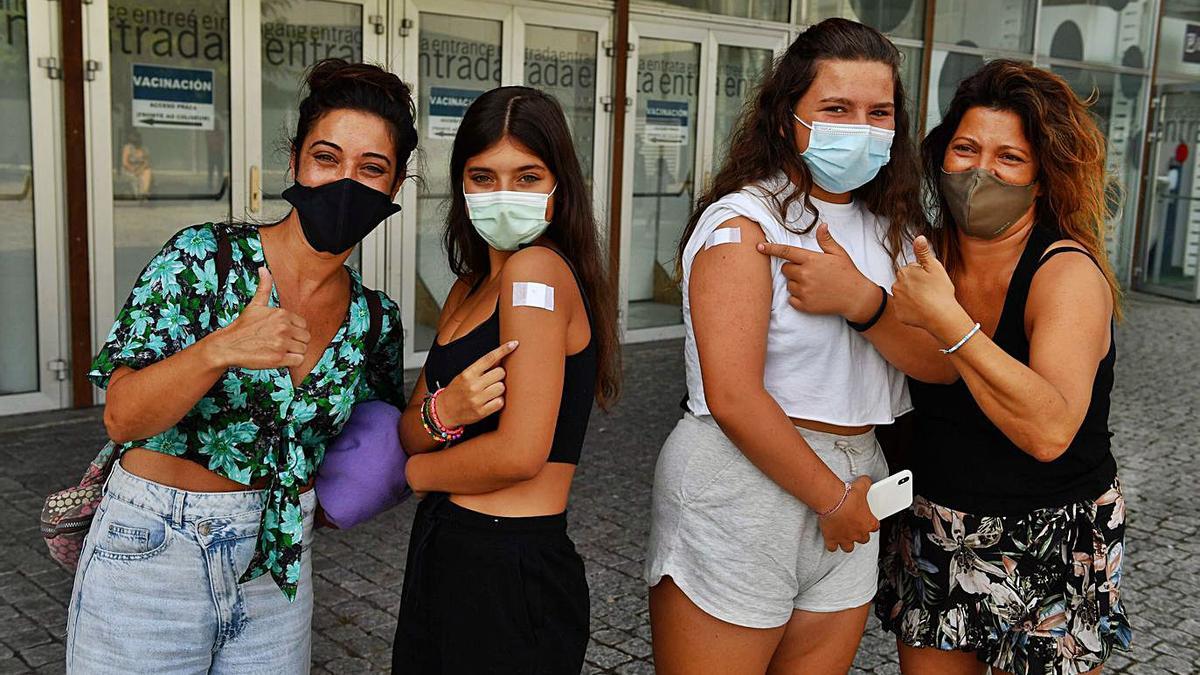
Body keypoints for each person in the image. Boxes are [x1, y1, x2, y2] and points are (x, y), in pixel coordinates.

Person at [66, 59, 505, 673]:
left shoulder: (375, 321)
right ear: (295, 161)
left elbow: (367, 445)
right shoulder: (203, 258)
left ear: (394, 188)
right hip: (153, 548)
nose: (345, 181)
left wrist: (440, 419)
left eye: (370, 168)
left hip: (275, 567)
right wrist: (220, 348)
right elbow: (121, 417)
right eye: (327, 157)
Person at [645, 18, 947, 675]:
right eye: (836, 108)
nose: (860, 127)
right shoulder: (743, 221)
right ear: (787, 116)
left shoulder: (895, 229)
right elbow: (731, 394)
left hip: (857, 469)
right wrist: (832, 500)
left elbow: (936, 362)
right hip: (744, 480)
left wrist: (861, 302)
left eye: (879, 112)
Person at [877, 59, 1133, 675]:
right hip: (939, 526)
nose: (980, 170)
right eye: (965, 148)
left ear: (1042, 178)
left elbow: (1048, 432)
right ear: (941, 158)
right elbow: (910, 363)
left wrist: (948, 321)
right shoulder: (920, 255)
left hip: (1053, 534)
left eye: (1009, 158)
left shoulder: (1066, 273)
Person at [392, 86, 620, 674]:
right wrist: (447, 414)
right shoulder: (467, 289)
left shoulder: (535, 271)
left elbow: (520, 453)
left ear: (557, 185)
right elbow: (410, 428)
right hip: (447, 548)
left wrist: (417, 472)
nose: (503, 195)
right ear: (461, 185)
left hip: (508, 561)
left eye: (526, 176)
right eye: (483, 176)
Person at [121, 129, 152, 198]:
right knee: (135, 178)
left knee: (147, 172)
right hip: (129, 169)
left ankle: (144, 192)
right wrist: (134, 170)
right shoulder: (128, 148)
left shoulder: (144, 149)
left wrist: (140, 170)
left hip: (140, 169)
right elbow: (125, 163)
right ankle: (139, 194)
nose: (137, 141)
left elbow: (146, 162)